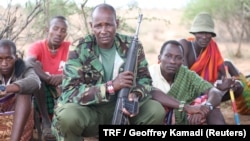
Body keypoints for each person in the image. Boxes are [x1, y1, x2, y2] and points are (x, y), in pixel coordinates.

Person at [49, 3, 169, 141]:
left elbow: (145, 79)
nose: (103, 30)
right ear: (91, 26)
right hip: (90, 110)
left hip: (123, 108)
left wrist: (135, 96)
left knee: (155, 110)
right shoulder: (79, 48)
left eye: (108, 24)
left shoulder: (132, 45)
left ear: (116, 23)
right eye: (98, 25)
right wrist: (111, 86)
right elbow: (70, 91)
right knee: (67, 116)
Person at [179, 12, 244, 124]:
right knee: (213, 98)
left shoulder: (212, 47)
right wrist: (216, 87)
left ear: (212, 34)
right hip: (185, 95)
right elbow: (186, 80)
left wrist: (228, 84)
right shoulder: (184, 45)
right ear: (194, 32)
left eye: (208, 33)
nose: (204, 36)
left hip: (206, 92)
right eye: (201, 32)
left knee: (239, 86)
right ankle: (208, 104)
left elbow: (223, 74)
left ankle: (209, 103)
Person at [149, 40, 226, 125]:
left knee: (211, 107)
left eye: (178, 58)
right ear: (159, 58)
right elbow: (151, 92)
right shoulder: (149, 74)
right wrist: (187, 108)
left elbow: (215, 92)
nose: (173, 61)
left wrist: (205, 108)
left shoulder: (187, 74)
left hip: (184, 116)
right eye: (168, 56)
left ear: (182, 61)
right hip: (157, 118)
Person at [25, 15, 71, 141]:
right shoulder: (38, 46)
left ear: (66, 34)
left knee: (73, 81)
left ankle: (62, 122)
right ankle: (46, 121)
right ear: (47, 30)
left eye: (63, 31)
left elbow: (79, 69)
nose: (59, 33)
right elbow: (28, 63)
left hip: (63, 89)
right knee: (35, 76)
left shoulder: (69, 48)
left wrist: (62, 77)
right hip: (43, 90)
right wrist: (48, 78)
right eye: (55, 28)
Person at [0, 39, 41, 141]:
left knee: (24, 93)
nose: (4, 63)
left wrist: (7, 89)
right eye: (0, 59)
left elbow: (35, 82)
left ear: (16, 58)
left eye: (9, 58)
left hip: (19, 117)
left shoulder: (24, 67)